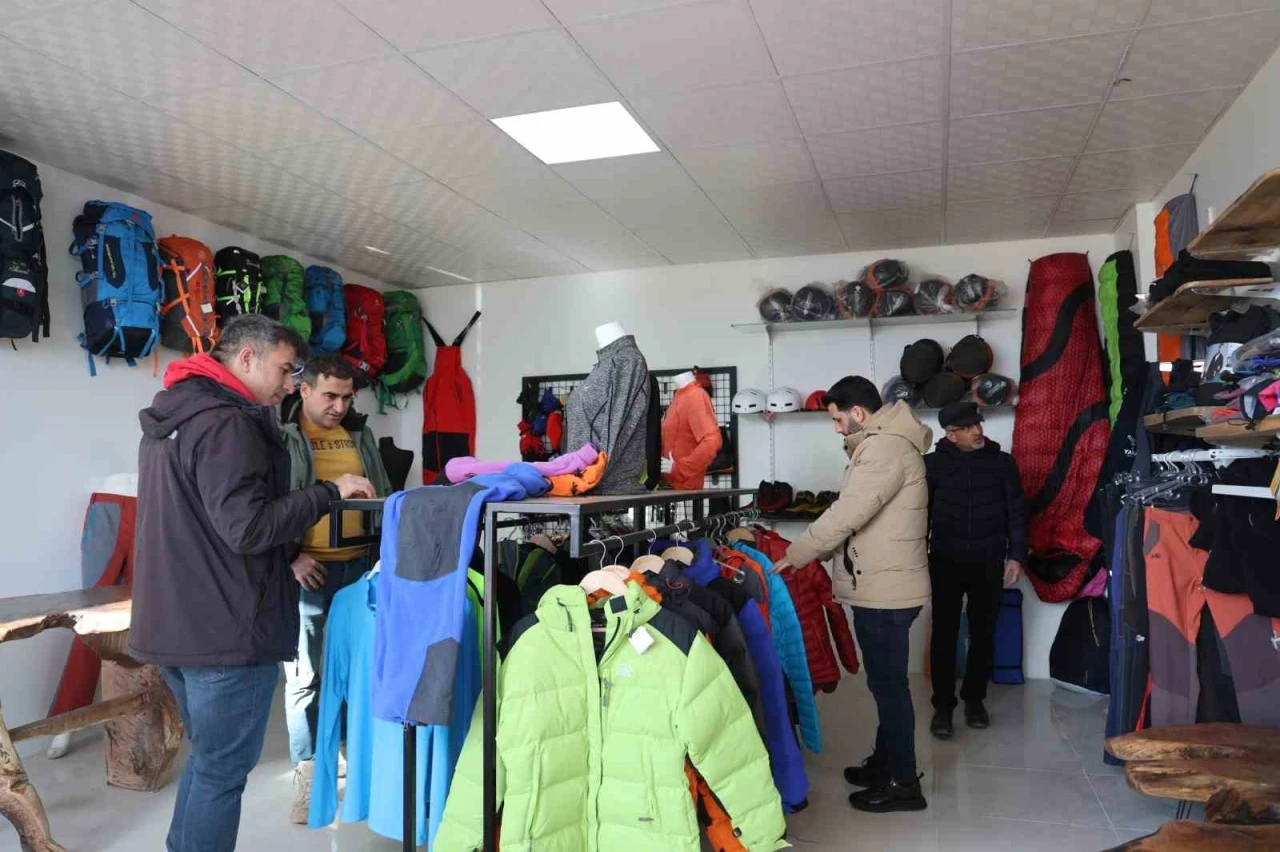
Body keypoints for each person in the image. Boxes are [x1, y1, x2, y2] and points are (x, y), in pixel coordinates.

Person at [129, 315, 375, 852]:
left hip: (175, 623)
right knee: (221, 772)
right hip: (225, 629)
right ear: (246, 359)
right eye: (285, 370)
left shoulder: (177, 416)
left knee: (210, 764)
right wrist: (328, 492)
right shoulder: (228, 423)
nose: (288, 384)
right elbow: (248, 528)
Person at [769, 376, 932, 814]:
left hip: (885, 591)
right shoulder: (886, 443)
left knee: (890, 688)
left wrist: (797, 553)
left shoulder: (884, 448)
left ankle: (903, 784)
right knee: (886, 686)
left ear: (858, 413)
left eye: (838, 419)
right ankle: (886, 765)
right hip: (884, 584)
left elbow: (848, 513)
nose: (837, 428)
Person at [279, 354, 392, 822]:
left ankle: (352, 759)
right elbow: (271, 505)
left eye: (347, 397)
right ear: (304, 389)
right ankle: (308, 776)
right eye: (330, 395)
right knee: (305, 677)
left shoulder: (360, 434)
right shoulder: (284, 435)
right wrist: (291, 557)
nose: (340, 406)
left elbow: (383, 494)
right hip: (308, 572)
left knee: (359, 670)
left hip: (359, 569)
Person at [925, 400, 1027, 739]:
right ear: (951, 435)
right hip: (945, 560)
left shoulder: (1002, 464)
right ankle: (943, 706)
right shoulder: (932, 466)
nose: (978, 431)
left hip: (988, 560)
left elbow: (1016, 513)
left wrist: (1016, 556)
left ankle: (974, 700)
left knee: (983, 634)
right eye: (968, 428)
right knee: (944, 634)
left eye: (978, 424)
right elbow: (920, 515)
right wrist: (915, 559)